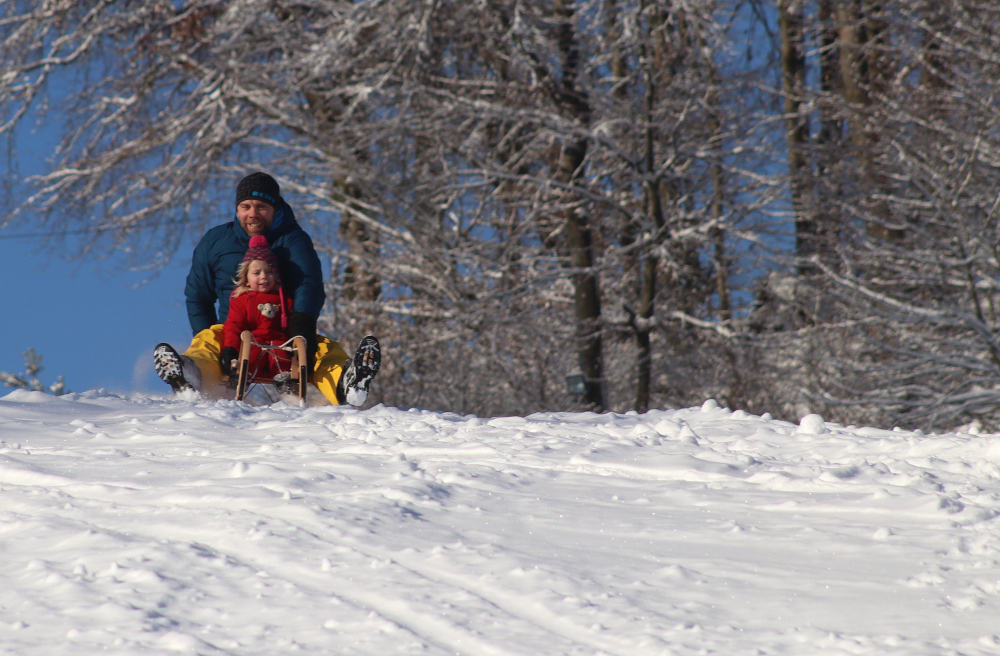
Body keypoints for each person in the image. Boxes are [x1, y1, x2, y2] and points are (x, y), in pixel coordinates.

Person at [152, 171, 381, 406]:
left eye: (261, 206)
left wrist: (300, 327)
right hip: (235, 332)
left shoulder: (293, 241)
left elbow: (308, 283)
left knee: (323, 350)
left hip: (284, 335)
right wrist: (219, 340)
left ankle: (347, 381)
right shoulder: (216, 242)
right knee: (208, 342)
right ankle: (189, 375)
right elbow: (198, 296)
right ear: (237, 209)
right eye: (245, 206)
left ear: (275, 208)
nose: (252, 214)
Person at [220, 235, 295, 385]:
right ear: (246, 279)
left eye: (269, 272)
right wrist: (230, 349)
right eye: (256, 273)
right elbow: (234, 325)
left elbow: (292, 323)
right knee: (251, 351)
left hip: (278, 341)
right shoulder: (241, 299)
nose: (264, 277)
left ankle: (284, 380)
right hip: (253, 340)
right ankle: (242, 376)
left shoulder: (283, 298)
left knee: (280, 352)